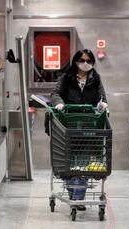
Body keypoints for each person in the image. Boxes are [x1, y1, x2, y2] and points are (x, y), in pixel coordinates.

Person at [50, 49, 108, 211]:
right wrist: (59, 103)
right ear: (75, 61)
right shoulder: (66, 78)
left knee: (81, 163)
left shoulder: (95, 79)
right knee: (68, 162)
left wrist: (102, 104)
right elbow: (55, 93)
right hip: (67, 125)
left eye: (89, 60)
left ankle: (78, 198)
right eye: (82, 60)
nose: (85, 63)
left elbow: (102, 97)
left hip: (88, 127)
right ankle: (73, 193)